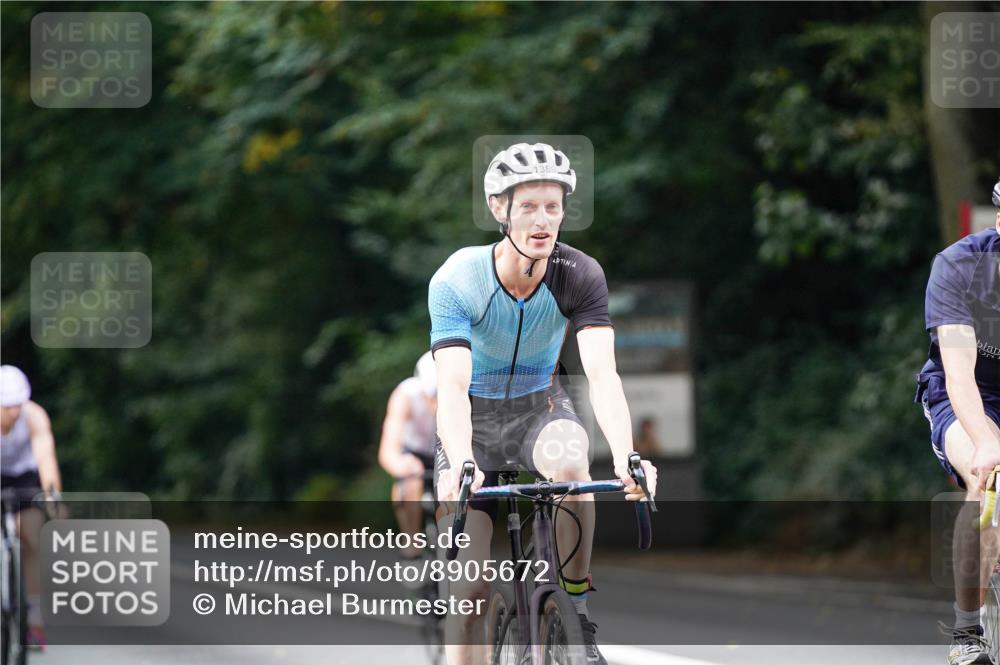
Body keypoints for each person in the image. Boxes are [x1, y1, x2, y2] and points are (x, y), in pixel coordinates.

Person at [430, 142, 658, 665]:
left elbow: (602, 373)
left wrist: (627, 457)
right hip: (473, 423)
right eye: (528, 206)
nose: (542, 220)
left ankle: (573, 608)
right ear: (499, 208)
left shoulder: (578, 273)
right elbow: (451, 389)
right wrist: (461, 461)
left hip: (540, 408)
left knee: (573, 461)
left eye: (552, 207)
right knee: (468, 599)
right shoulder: (458, 279)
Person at [916, 177, 1000, 665]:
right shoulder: (959, 265)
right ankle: (968, 631)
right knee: (984, 478)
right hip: (968, 393)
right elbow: (959, 372)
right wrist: (987, 443)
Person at [0, 364, 63, 650]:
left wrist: (53, 499)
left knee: (31, 539)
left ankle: (34, 621)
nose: (13, 412)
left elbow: (46, 459)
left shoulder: (34, 416)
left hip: (25, 477)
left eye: (17, 406)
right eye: (7, 407)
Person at [377, 352, 438, 560]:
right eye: (432, 396)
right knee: (411, 473)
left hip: (445, 452)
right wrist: (400, 465)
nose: (436, 404)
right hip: (414, 453)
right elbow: (387, 451)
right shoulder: (406, 395)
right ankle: (411, 543)